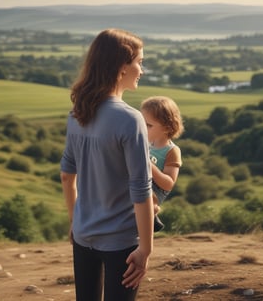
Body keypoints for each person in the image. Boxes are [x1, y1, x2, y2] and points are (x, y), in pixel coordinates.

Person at [60, 28, 154, 301]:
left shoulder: (77, 113)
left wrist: (75, 222)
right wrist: (145, 249)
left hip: (83, 234)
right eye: (139, 62)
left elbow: (67, 175)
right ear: (121, 67)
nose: (141, 70)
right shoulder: (130, 119)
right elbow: (141, 188)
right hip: (121, 241)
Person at [140, 96, 183, 232]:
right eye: (142, 123)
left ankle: (152, 211)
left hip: (156, 188)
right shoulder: (146, 144)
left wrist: (148, 165)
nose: (143, 128)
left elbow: (168, 183)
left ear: (166, 127)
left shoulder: (172, 151)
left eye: (149, 125)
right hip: (142, 181)